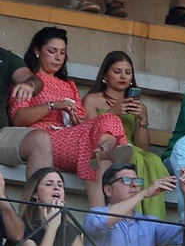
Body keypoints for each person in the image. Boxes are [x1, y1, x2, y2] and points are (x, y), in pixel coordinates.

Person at [10, 26, 130, 181]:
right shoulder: (27, 81)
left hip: (71, 137)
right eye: (52, 51)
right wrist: (53, 105)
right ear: (37, 51)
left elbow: (82, 122)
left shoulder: (69, 85)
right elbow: (18, 119)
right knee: (91, 145)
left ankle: (104, 149)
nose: (58, 57)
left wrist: (76, 120)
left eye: (62, 52)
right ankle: (105, 151)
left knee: (110, 119)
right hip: (43, 139)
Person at [82, 51, 166, 216]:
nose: (123, 76)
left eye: (128, 73)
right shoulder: (93, 100)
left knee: (154, 159)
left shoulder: (136, 104)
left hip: (132, 147)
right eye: (117, 71)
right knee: (133, 157)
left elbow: (143, 146)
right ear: (105, 74)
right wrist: (112, 112)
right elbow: (87, 133)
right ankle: (133, 213)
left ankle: (155, 220)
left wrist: (143, 120)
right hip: (108, 150)